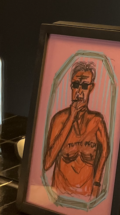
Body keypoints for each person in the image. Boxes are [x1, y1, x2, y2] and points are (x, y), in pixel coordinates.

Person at [43, 59, 110, 203]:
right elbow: (47, 163)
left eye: (84, 86)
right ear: (71, 86)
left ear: (91, 87)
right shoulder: (59, 120)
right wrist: (71, 119)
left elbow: (105, 151)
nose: (79, 91)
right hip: (60, 195)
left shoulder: (96, 121)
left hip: (86, 195)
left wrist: (97, 183)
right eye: (75, 85)